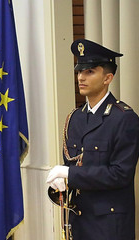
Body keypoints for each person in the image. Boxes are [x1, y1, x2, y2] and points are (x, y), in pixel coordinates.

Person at [46, 39, 139, 240]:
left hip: (108, 226)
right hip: (79, 221)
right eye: (79, 71)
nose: (81, 77)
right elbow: (73, 164)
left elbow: (120, 174)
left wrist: (70, 174)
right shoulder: (75, 118)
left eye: (90, 72)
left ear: (107, 78)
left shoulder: (123, 118)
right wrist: (62, 181)